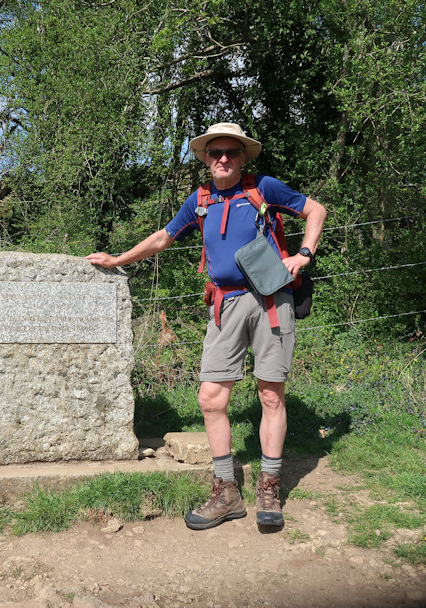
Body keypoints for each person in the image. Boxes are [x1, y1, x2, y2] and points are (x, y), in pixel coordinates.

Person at [86, 122, 326, 530]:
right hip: (224, 304)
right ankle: (226, 492)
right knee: (211, 399)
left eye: (231, 152)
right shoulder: (200, 200)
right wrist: (118, 260)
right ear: (206, 159)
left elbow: (315, 209)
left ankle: (269, 487)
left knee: (270, 395)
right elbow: (163, 237)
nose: (223, 159)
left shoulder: (263, 187)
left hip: (271, 300)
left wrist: (303, 253)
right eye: (215, 153)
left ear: (243, 157)